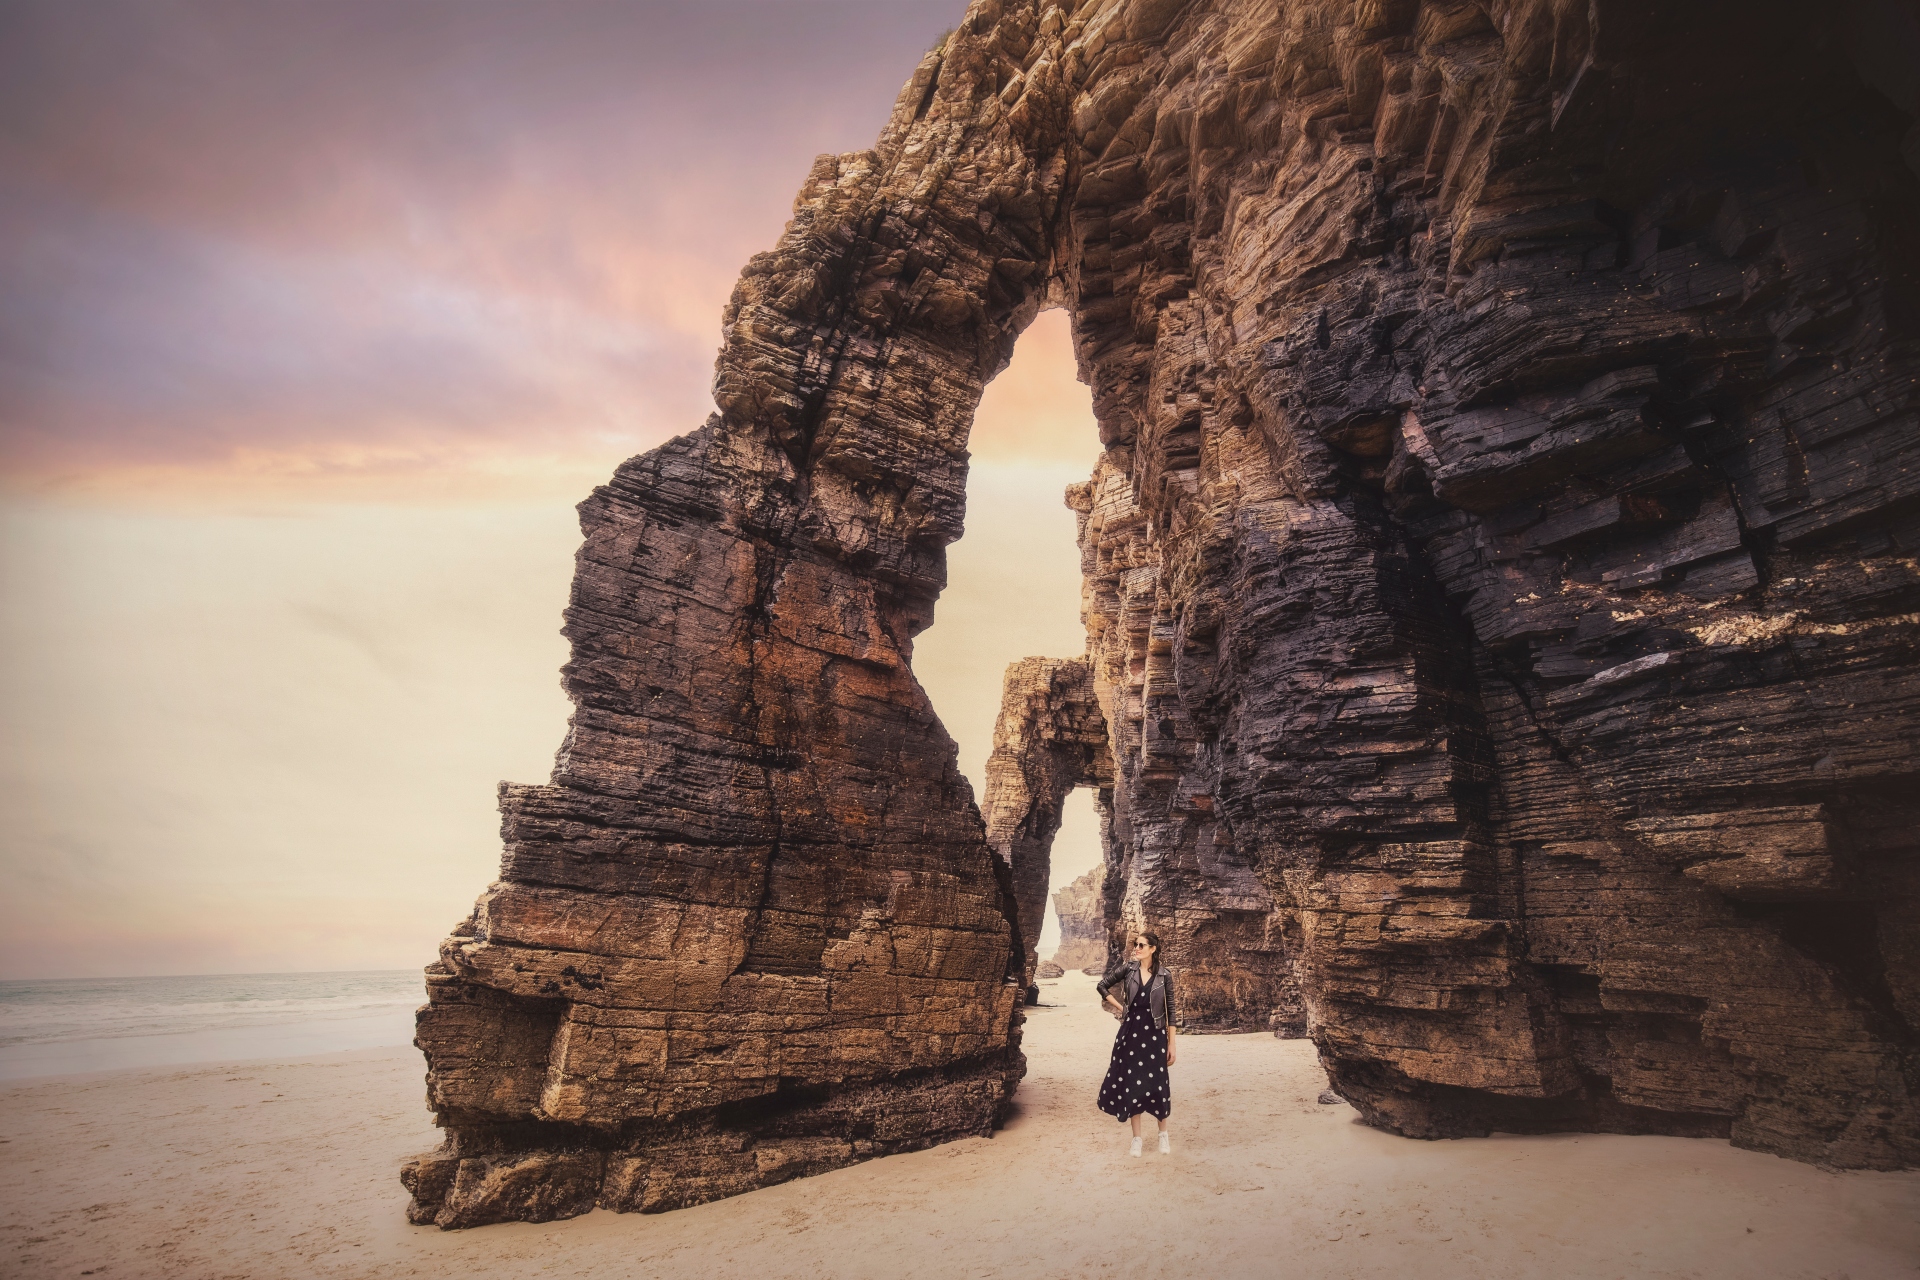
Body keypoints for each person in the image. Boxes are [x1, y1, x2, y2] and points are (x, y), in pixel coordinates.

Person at [1095, 931, 1177, 1156]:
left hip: (1155, 1035)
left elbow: (1171, 1012)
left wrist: (1172, 1045)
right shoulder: (1128, 969)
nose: (1137, 948)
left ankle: (1163, 1136)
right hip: (1130, 1033)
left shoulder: (1164, 975)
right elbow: (1102, 986)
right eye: (1135, 944)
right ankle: (1137, 1139)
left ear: (1153, 949)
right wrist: (1122, 1009)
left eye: (1141, 945)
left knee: (1158, 1084)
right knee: (1132, 1084)